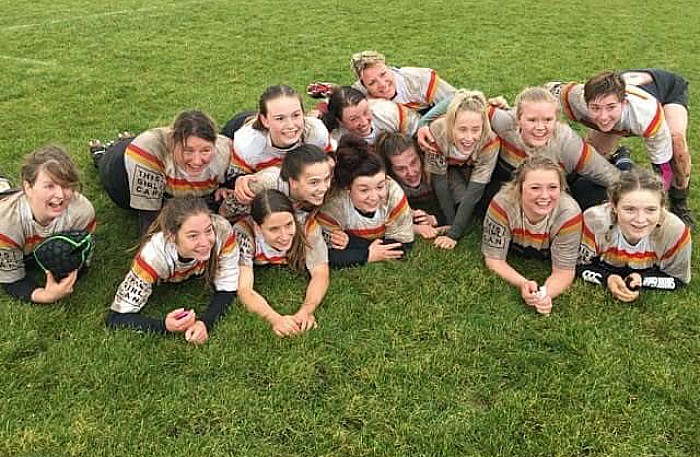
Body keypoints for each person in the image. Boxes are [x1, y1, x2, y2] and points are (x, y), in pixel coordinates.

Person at [418, 86, 620, 211]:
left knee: (593, 198)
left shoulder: (567, 142)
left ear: (556, 119)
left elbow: (609, 176)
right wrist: (423, 125)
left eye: (548, 120)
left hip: (558, 184)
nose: (540, 127)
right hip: (508, 180)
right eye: (532, 120)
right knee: (487, 203)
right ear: (518, 118)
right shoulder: (503, 121)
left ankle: (622, 158)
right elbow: (462, 98)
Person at [547, 70, 694, 227]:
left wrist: (657, 202)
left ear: (624, 102)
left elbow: (663, 168)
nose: (603, 116)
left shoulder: (646, 116)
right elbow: (542, 95)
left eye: (611, 107)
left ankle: (680, 204)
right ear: (585, 102)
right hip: (626, 103)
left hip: (667, 90)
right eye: (595, 108)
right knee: (592, 158)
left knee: (676, 145)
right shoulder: (575, 98)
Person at [106, 197, 238, 344]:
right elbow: (115, 317)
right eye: (193, 235)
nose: (205, 242)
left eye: (208, 230)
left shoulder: (222, 230)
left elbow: (228, 287)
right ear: (171, 237)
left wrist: (205, 323)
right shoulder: (153, 255)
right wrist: (164, 326)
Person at [89, 109, 233, 235]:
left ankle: (127, 139)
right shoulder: (147, 151)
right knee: (110, 162)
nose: (197, 161)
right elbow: (149, 220)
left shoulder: (226, 150)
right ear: (172, 143)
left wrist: (226, 187)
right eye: (187, 150)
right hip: (121, 171)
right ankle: (102, 154)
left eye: (205, 150)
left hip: (167, 183)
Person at [482, 156, 582, 315]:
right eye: (535, 188)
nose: (544, 196)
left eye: (553, 187)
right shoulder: (502, 203)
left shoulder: (569, 213)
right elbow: (494, 259)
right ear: (519, 188)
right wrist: (522, 283)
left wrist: (544, 294)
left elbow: (564, 270)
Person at [577, 167, 691, 302]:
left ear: (662, 207)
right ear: (613, 206)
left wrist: (642, 280)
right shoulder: (594, 221)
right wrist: (607, 278)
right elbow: (577, 265)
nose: (640, 219)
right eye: (630, 209)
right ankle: (621, 160)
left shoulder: (675, 231)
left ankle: (623, 160)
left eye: (651, 209)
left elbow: (679, 279)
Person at [0, 146, 96, 304]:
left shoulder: (82, 212)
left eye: (66, 185)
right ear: (28, 187)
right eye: (50, 186)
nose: (60, 195)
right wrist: (45, 295)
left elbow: (82, 262)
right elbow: (12, 280)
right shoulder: (6, 223)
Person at [235, 189, 329, 337]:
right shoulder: (244, 232)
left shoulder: (306, 225)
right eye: (274, 229)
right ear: (258, 227)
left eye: (289, 224)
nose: (284, 235)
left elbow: (320, 273)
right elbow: (244, 289)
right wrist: (275, 319)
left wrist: (306, 311)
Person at [317, 134, 414, 267]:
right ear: (347, 188)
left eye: (380, 186)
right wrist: (367, 254)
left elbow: (402, 245)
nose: (374, 197)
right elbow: (324, 255)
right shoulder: (334, 204)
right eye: (364, 190)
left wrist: (351, 243)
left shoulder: (393, 192)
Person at [421, 89, 501, 249]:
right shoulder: (437, 131)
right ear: (451, 125)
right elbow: (440, 182)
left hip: (469, 168)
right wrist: (451, 221)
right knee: (457, 199)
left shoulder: (490, 141)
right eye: (462, 129)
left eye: (475, 129)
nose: (469, 137)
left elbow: (474, 191)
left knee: (472, 203)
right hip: (448, 168)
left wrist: (454, 234)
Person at [228, 85, 333, 203]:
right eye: (280, 118)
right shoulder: (248, 145)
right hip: (238, 124)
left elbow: (329, 161)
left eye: (296, 115)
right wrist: (239, 180)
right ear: (265, 120)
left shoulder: (316, 133)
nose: (290, 125)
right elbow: (232, 178)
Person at [220, 144, 333, 221]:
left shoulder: (328, 188)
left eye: (327, 179)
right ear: (293, 181)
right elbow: (226, 211)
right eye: (314, 182)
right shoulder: (266, 183)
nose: (323, 188)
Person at [375, 132, 445, 239]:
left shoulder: (434, 171)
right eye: (400, 169)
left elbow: (454, 207)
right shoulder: (386, 186)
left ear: (420, 156)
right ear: (390, 170)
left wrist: (434, 219)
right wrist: (414, 228)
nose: (411, 173)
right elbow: (379, 220)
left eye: (413, 162)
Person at [349, 50, 456, 113]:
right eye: (372, 83)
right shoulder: (359, 93)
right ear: (364, 85)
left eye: (383, 74)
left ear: (388, 67)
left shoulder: (420, 79)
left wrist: (425, 123)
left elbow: (457, 102)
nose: (382, 84)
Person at [321, 86, 420, 147]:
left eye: (365, 112)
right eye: (353, 119)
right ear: (340, 122)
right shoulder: (335, 140)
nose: (364, 122)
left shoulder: (390, 112)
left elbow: (421, 132)